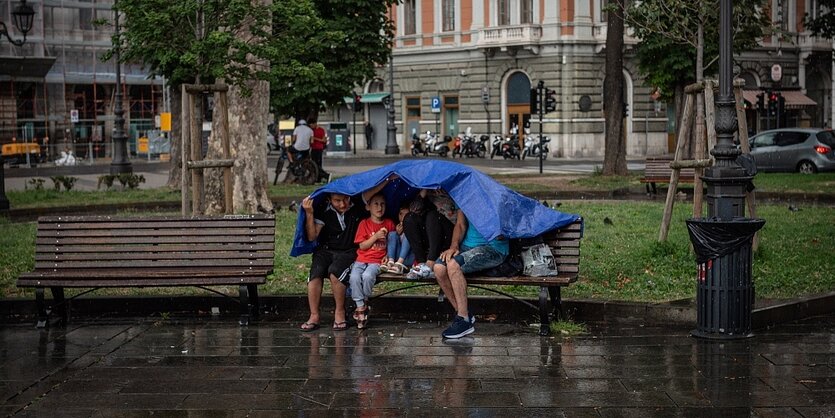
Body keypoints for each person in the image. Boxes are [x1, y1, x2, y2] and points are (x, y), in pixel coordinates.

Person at [299, 175, 397, 332]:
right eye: (337, 200)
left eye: (345, 199)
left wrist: (387, 179)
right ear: (330, 199)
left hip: (349, 251)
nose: (343, 204)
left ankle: (340, 312)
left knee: (335, 272)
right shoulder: (324, 209)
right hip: (325, 250)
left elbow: (372, 191)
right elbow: (312, 236)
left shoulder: (357, 204)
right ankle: (314, 315)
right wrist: (309, 213)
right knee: (315, 273)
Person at [434, 211, 509, 338]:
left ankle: (463, 320)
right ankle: (463, 314)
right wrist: (454, 246)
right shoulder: (466, 194)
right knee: (439, 268)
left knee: (453, 265)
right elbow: (460, 224)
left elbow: (509, 226)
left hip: (492, 248)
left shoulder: (497, 196)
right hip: (467, 246)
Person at [348, 193, 396, 329]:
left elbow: (393, 244)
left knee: (368, 276)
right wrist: (375, 237)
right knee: (354, 277)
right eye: (375, 204)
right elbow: (362, 246)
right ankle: (360, 306)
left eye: (382, 204)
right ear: (368, 207)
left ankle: (365, 300)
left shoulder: (389, 223)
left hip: (377, 261)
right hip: (362, 259)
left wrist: (388, 255)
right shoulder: (364, 224)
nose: (379, 207)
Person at [404, 189, 457, 280]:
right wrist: (425, 189)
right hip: (430, 236)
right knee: (409, 218)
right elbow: (414, 209)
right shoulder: (427, 190)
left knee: (433, 216)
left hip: (449, 233)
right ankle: (421, 263)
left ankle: (430, 264)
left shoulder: (453, 186)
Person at [381, 204, 414, 274]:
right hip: (397, 257)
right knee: (392, 234)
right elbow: (391, 245)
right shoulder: (397, 226)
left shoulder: (413, 226)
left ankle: (399, 264)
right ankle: (391, 262)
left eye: (406, 214)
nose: (403, 217)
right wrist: (398, 234)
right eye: (401, 214)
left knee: (407, 234)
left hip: (408, 258)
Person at [309, 119, 331, 183]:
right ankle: (317, 178)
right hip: (313, 148)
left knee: (318, 164)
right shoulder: (311, 130)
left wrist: (314, 138)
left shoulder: (321, 130)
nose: (311, 127)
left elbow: (324, 140)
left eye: (312, 125)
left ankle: (325, 176)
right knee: (314, 164)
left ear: (315, 123)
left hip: (319, 148)